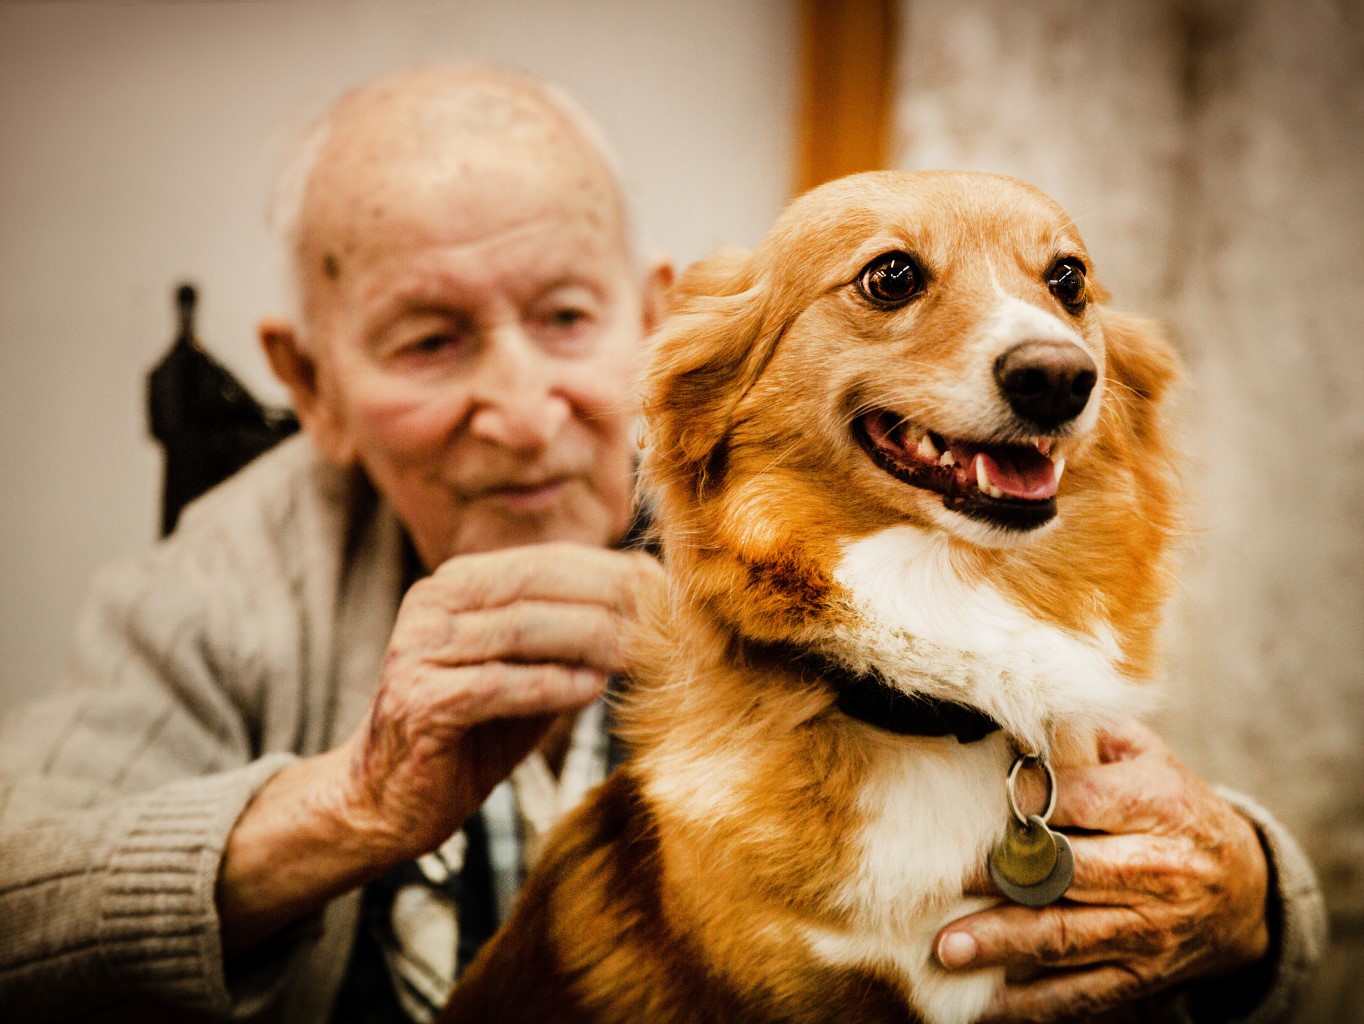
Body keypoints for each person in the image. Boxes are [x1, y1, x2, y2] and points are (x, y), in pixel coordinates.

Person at [0, 65, 1325, 1024]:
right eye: (430, 340)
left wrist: (1254, 898)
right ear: (312, 384)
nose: (525, 410)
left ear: (655, 320)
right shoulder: (221, 582)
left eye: (566, 318)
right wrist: (351, 805)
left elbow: (1156, 824)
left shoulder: (887, 503)